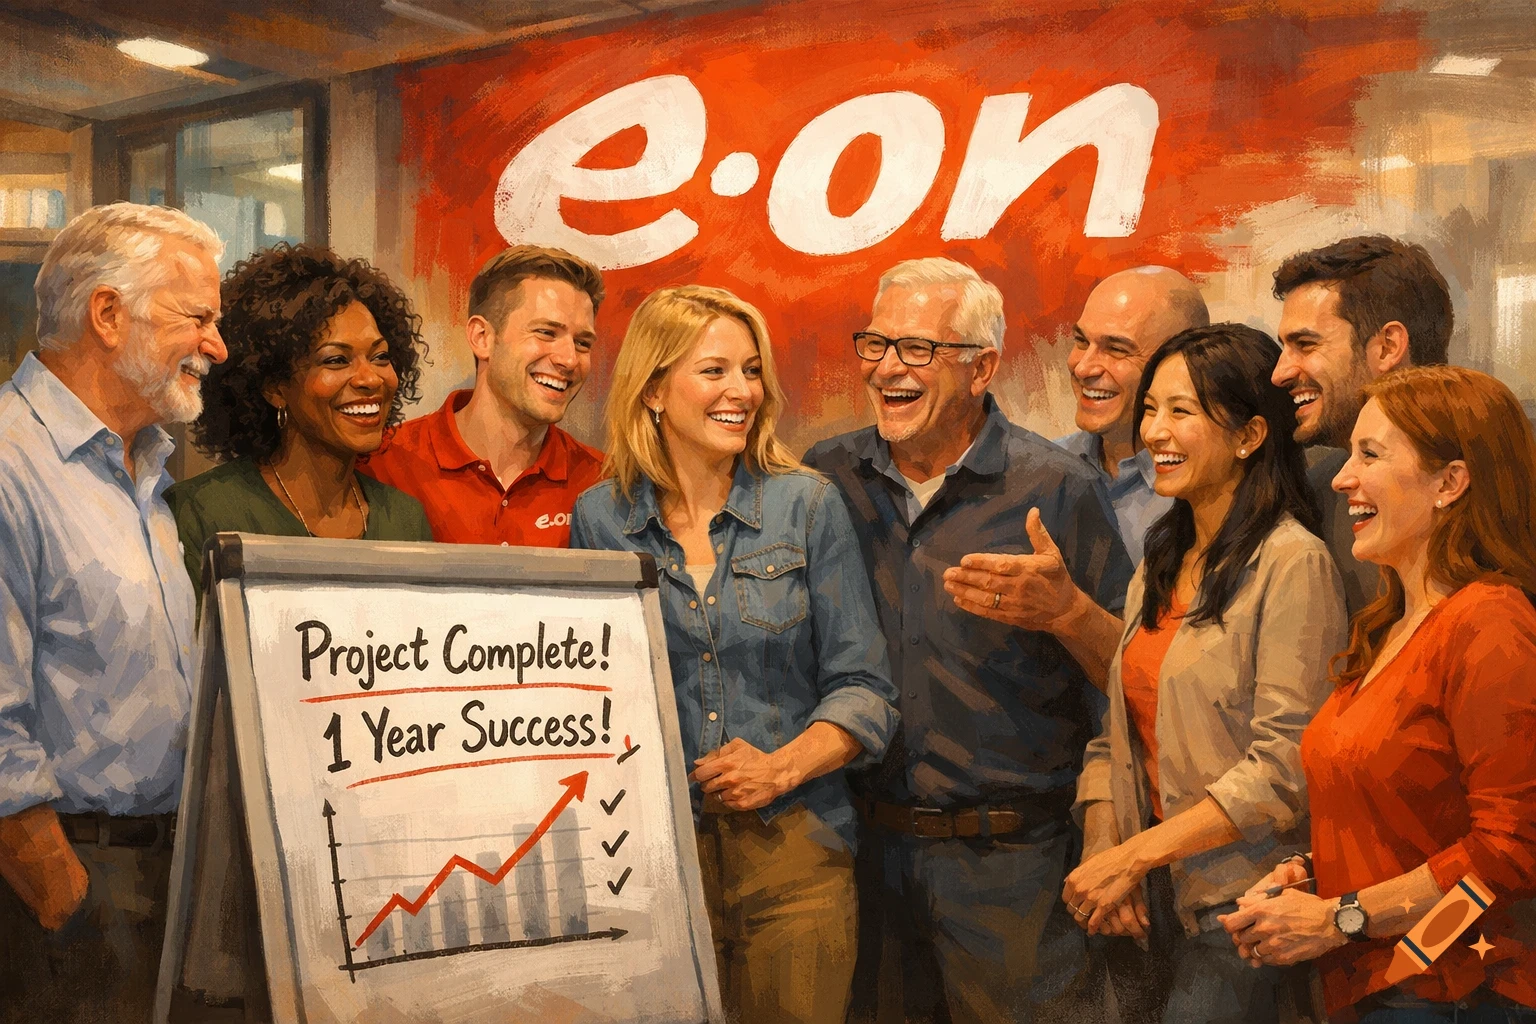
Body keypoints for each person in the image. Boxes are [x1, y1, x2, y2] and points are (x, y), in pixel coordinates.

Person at [804, 257, 1134, 1022]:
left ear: (981, 367)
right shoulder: (826, 478)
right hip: (867, 859)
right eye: (875, 344)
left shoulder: (1056, 488)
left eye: (917, 348)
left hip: (1015, 870)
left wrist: (1066, 611)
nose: (888, 367)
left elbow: (1131, 676)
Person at [569, 285, 899, 1024]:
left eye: (751, 371)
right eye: (714, 371)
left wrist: (780, 767)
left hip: (797, 856)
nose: (742, 391)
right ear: (654, 389)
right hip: (651, 860)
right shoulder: (600, 518)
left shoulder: (805, 504)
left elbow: (866, 690)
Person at [1221, 366, 1536, 1024]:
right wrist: (1313, 875)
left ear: (1450, 482)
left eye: (1371, 454)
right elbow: (1404, 819)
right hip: (1381, 991)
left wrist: (1343, 918)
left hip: (1454, 997)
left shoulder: (1490, 624)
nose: (1341, 478)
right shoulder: (1388, 624)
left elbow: (1512, 854)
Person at [1063, 323, 1348, 1024]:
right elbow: (1114, 739)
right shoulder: (1163, 558)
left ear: (1250, 435)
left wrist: (1135, 856)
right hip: (1144, 909)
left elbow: (1285, 767)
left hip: (1244, 912)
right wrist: (1110, 852)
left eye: (1181, 411)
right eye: (1151, 409)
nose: (1155, 430)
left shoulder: (1292, 563)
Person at [0, 202, 226, 1018]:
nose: (217, 346)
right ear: (107, 313)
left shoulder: (146, 473)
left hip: (165, 879)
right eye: (198, 317)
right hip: (70, 897)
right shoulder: (9, 463)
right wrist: (65, 897)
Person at [167, 244, 431, 595]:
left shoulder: (405, 520)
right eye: (336, 360)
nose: (371, 379)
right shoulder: (200, 513)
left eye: (381, 356)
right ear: (274, 387)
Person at [360, 244, 605, 547]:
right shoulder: (382, 463)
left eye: (583, 343)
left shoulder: (605, 483)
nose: (569, 359)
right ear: (482, 338)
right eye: (546, 332)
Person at [1271, 235, 1454, 616]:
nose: (1280, 372)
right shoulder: (1317, 496)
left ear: (1388, 347)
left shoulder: (1514, 477)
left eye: (1305, 344)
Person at [1055, 266, 1209, 565]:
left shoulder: (1210, 491)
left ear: (1180, 360)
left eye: (1116, 349)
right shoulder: (1041, 469)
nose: (1083, 368)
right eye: (1081, 341)